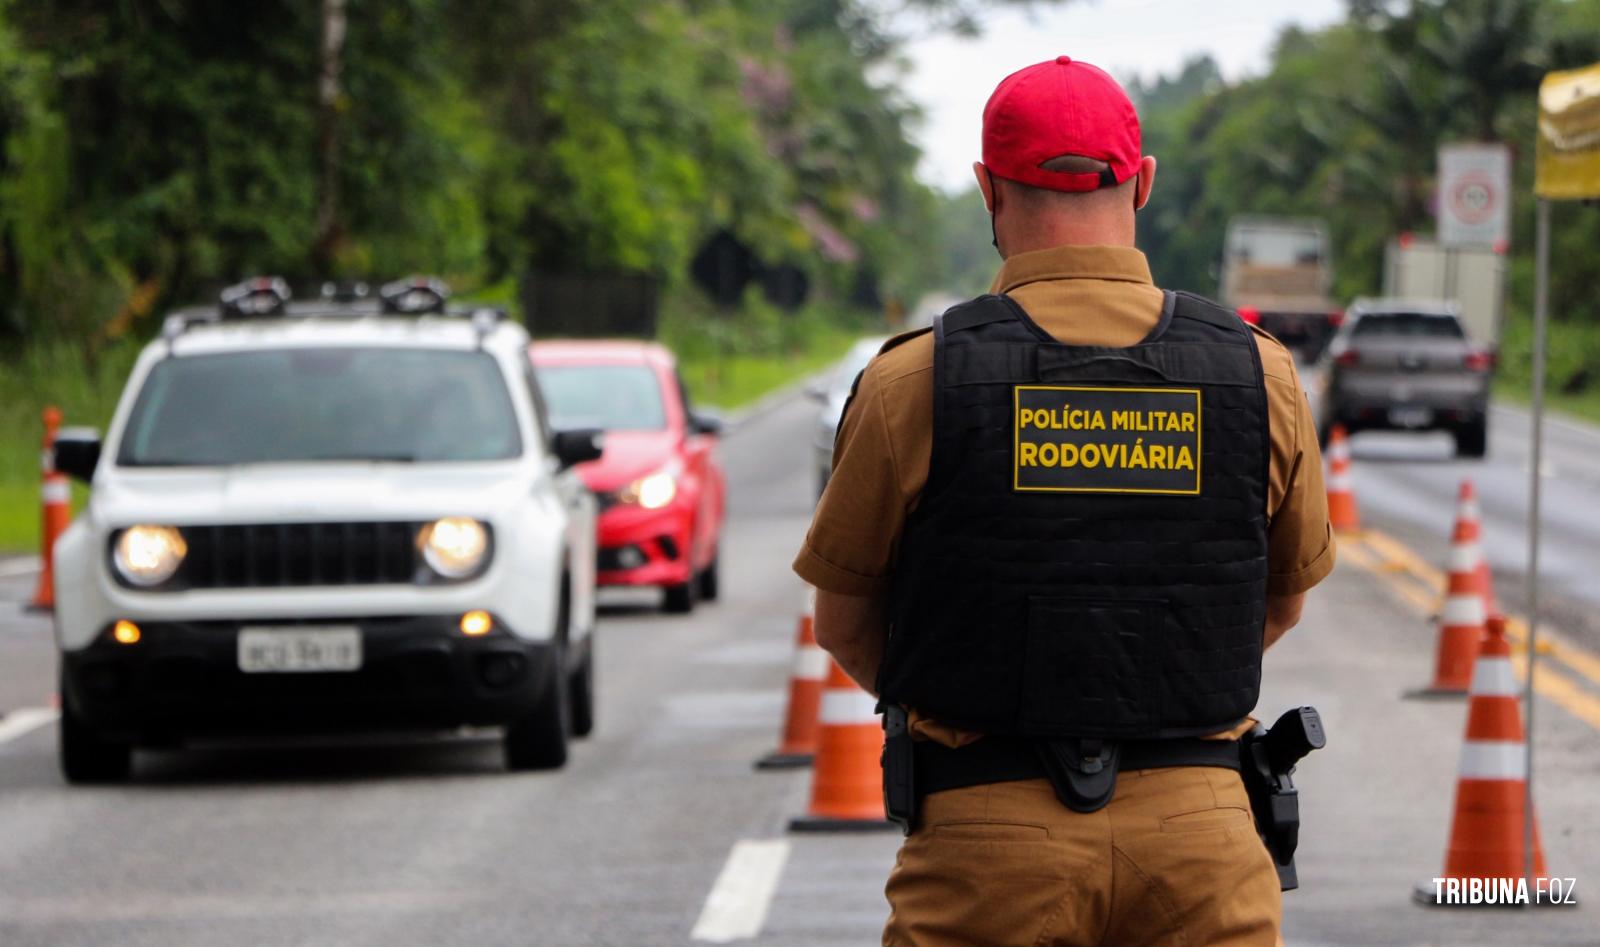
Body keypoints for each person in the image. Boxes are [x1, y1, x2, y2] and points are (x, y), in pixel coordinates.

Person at [792, 55, 1334, 946]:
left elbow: (846, 621)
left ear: (987, 191)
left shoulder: (916, 381)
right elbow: (1279, 599)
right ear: (1144, 182)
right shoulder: (1256, 371)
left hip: (985, 840)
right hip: (1202, 839)